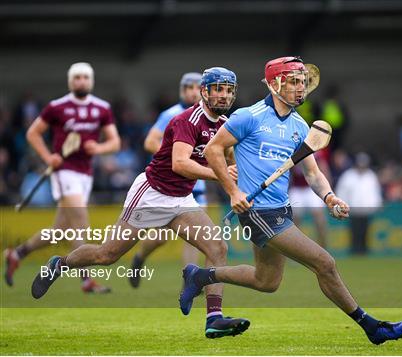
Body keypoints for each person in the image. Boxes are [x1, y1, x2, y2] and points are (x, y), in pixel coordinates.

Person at [183, 56, 402, 345]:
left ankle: (200, 276)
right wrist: (233, 190)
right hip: (258, 211)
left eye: (303, 82)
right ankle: (372, 327)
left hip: (281, 208)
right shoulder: (248, 117)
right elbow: (213, 151)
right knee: (325, 263)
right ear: (275, 84)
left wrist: (329, 196)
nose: (300, 88)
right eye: (293, 82)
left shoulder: (300, 126)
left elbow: (313, 173)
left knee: (267, 282)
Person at [31, 67, 250, 339]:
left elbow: (229, 158)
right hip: (151, 194)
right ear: (204, 91)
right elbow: (179, 163)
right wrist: (221, 175)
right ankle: (59, 264)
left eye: (228, 90)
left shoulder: (224, 125)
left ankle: (213, 318)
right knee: (106, 255)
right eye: (218, 88)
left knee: (217, 247)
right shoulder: (187, 120)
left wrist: (237, 187)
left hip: (181, 199)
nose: (224, 95)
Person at [4, 62, 120, 293]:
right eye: (77, 77)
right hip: (64, 172)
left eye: (85, 77)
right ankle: (86, 280)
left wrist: (97, 149)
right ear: (70, 81)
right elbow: (33, 133)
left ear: (91, 81)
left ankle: (17, 254)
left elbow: (114, 142)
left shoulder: (102, 108)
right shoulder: (56, 107)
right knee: (81, 222)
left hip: (85, 174)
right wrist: (48, 157)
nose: (81, 81)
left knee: (59, 232)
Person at [129, 72, 203, 288]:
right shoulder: (171, 114)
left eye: (197, 87)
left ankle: (189, 282)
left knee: (195, 237)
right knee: (161, 238)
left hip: (195, 185)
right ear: (182, 90)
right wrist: (178, 155)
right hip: (167, 185)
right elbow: (150, 142)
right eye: (188, 87)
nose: (193, 92)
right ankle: (140, 257)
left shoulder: (206, 117)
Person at [336, 152, 382, 255]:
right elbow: (342, 191)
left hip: (366, 209)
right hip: (353, 209)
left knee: (365, 231)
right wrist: (342, 205)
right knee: (354, 231)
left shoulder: (371, 176)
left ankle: (364, 250)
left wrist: (376, 204)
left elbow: (375, 192)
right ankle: (354, 250)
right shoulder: (348, 175)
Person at [289, 148, 331, 248]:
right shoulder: (291, 148)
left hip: (311, 188)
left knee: (320, 219)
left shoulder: (314, 149)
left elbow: (323, 168)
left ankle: (323, 248)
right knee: (294, 222)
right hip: (296, 188)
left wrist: (328, 191)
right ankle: (295, 251)